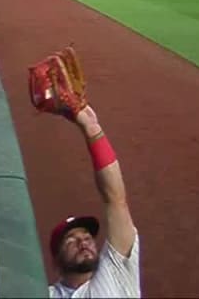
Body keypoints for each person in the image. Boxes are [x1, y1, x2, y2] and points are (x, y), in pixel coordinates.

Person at [48, 103, 140, 298]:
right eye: (70, 241)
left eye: (88, 238)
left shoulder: (115, 272)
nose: (83, 242)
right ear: (56, 262)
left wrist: (92, 130)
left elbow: (116, 199)